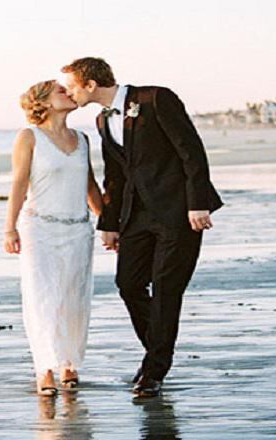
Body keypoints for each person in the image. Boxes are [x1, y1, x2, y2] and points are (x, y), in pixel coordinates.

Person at [62, 57, 224, 397]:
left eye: (72, 86)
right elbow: (115, 175)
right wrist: (109, 223)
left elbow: (191, 152)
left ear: (90, 84)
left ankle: (154, 370)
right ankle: (157, 352)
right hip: (136, 217)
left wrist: (198, 203)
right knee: (128, 284)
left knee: (166, 289)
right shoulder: (102, 120)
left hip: (179, 212)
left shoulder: (155, 99)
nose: (68, 92)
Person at [4, 79, 104, 396]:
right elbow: (19, 183)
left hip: (78, 230)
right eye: (61, 91)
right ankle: (44, 368)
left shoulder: (82, 138)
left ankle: (69, 363)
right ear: (43, 102)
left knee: (74, 299)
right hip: (40, 230)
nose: (69, 93)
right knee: (42, 298)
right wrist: (10, 227)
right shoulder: (29, 137)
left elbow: (90, 186)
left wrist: (110, 223)